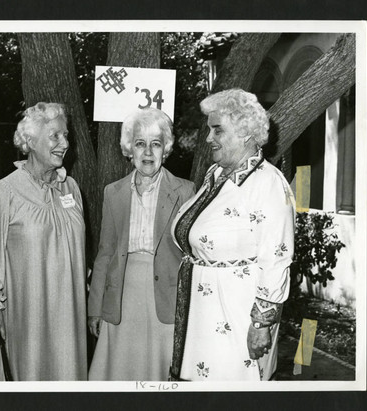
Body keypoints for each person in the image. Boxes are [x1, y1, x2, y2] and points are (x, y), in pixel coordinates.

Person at [170, 89, 295, 381]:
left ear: (245, 133)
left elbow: (276, 258)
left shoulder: (267, 184)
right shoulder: (217, 174)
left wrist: (261, 324)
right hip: (203, 312)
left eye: (217, 130)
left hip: (235, 315)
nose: (208, 138)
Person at [0, 102, 87, 381]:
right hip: (27, 311)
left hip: (70, 309)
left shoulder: (71, 188)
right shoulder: (7, 190)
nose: (64, 143)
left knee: (68, 372)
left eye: (65, 136)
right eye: (55, 136)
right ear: (31, 141)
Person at [87, 107, 195, 381]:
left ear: (166, 149)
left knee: (162, 371)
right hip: (123, 292)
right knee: (120, 370)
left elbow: (192, 256)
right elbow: (105, 253)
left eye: (156, 144)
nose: (148, 153)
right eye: (140, 144)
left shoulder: (185, 191)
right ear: (129, 149)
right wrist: (95, 308)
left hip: (166, 296)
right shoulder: (113, 192)